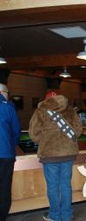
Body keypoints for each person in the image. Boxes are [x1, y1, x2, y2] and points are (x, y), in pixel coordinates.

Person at [29, 91, 82, 221]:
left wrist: (46, 138)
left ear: (46, 100)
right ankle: (67, 215)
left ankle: (55, 215)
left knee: (52, 186)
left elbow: (34, 134)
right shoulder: (70, 110)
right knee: (66, 185)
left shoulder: (40, 111)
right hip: (68, 153)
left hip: (49, 154)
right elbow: (78, 131)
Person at [0, 83, 21, 221]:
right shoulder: (8, 107)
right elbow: (16, 131)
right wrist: (11, 146)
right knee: (4, 188)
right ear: (3, 92)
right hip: (5, 154)